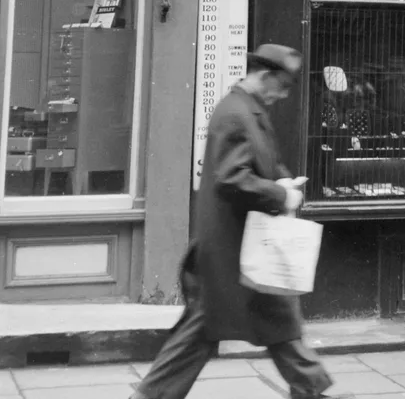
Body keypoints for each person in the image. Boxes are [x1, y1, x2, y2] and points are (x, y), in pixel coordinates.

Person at [132, 44, 351, 399]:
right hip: (234, 249)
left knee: (269, 322)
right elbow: (232, 177)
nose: (282, 96)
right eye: (281, 86)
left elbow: (258, 163)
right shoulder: (237, 114)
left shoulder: (247, 110)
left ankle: (310, 391)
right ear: (265, 77)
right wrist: (281, 195)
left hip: (239, 247)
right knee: (235, 325)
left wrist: (281, 182)